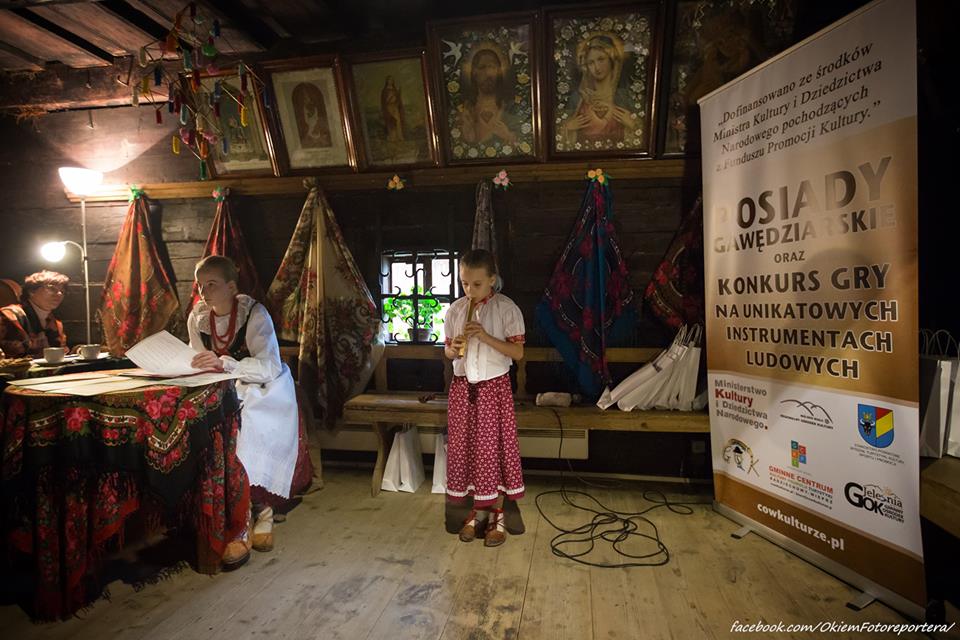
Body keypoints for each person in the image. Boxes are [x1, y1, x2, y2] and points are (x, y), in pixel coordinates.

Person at [187, 256, 313, 569]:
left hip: (262, 384)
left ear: (231, 287)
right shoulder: (197, 318)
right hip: (219, 384)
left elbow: (269, 365)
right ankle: (211, 512)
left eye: (212, 285)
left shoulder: (254, 314)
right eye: (201, 285)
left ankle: (259, 513)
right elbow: (196, 356)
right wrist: (201, 365)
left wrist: (227, 364)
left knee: (248, 423)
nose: (204, 292)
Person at [443, 249, 525, 546]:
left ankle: (497, 516)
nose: (470, 290)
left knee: (493, 452)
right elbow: (448, 350)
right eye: (465, 283)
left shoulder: (506, 309)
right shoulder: (455, 310)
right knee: (466, 450)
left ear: (493, 279)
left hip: (493, 389)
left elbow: (517, 353)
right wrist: (455, 349)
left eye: (477, 284)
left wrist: (484, 336)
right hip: (463, 388)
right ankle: (475, 514)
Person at [561, 33, 637, 146]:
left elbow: (641, 133)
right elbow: (560, 137)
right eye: (591, 62)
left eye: (601, 59)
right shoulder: (578, 98)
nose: (596, 67)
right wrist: (568, 127)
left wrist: (633, 124)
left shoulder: (624, 96)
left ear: (611, 60)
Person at [0, 270, 69, 358]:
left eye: (62, 291)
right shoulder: (10, 315)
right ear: (32, 291)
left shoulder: (56, 323)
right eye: (52, 288)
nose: (59, 294)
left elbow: (61, 354)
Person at [459, 47, 519, 146]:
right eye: (482, 67)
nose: (488, 73)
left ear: (498, 71)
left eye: (492, 67)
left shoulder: (510, 106)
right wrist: (468, 132)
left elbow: (523, 141)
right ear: (474, 72)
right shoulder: (466, 108)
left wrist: (508, 135)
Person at [291, 81, 332, 149]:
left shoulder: (325, 123)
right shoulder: (298, 133)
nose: (307, 111)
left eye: (310, 105)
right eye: (303, 101)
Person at [380, 75, 405, 142]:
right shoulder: (385, 90)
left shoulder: (395, 89)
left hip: (395, 107)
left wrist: (398, 95)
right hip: (389, 107)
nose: (391, 81)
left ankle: (399, 137)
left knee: (398, 121)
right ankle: (392, 138)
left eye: (392, 80)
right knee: (391, 122)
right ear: (387, 81)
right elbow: (384, 100)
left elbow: (398, 98)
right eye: (389, 80)